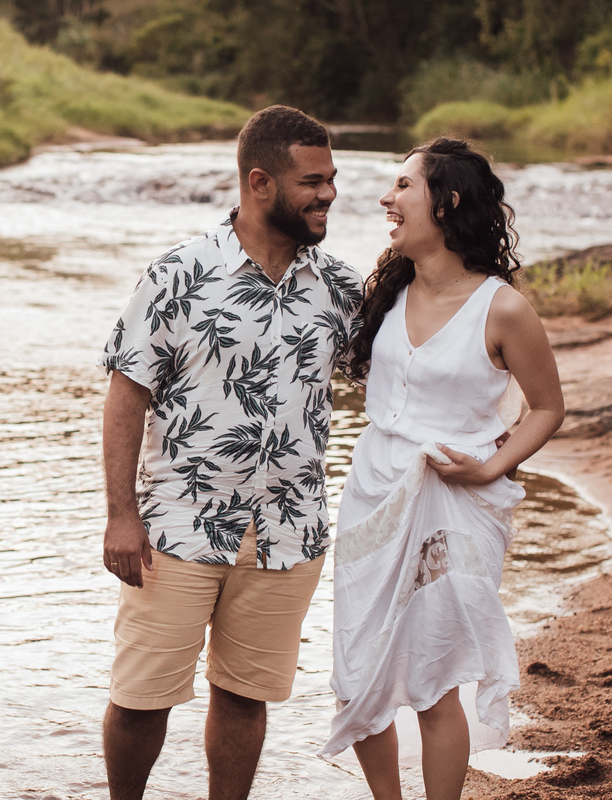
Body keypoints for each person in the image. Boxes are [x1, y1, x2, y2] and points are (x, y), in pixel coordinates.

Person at [97, 105, 363, 800]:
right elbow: (126, 398)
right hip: (179, 529)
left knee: (246, 695)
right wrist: (120, 516)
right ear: (260, 183)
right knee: (141, 697)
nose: (328, 193)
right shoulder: (177, 276)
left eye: (331, 178)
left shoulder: (338, 288)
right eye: (312, 181)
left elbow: (404, 368)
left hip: (290, 532)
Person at [320, 138, 565, 800]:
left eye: (403, 186)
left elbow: (547, 407)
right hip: (373, 495)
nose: (386, 199)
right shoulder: (386, 290)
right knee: (356, 668)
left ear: (446, 202)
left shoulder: (502, 307)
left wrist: (493, 468)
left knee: (433, 675)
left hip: (456, 509)